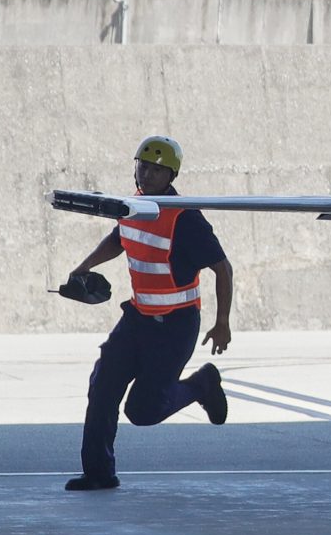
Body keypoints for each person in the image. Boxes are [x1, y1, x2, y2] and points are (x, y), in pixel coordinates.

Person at [59, 135, 232, 491]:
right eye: (143, 166)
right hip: (137, 319)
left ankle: (202, 384)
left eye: (157, 170)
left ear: (171, 176)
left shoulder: (185, 218)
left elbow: (223, 268)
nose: (148, 174)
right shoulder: (133, 206)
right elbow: (119, 239)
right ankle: (99, 473)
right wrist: (83, 268)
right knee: (102, 386)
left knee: (143, 411)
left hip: (176, 326)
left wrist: (222, 323)